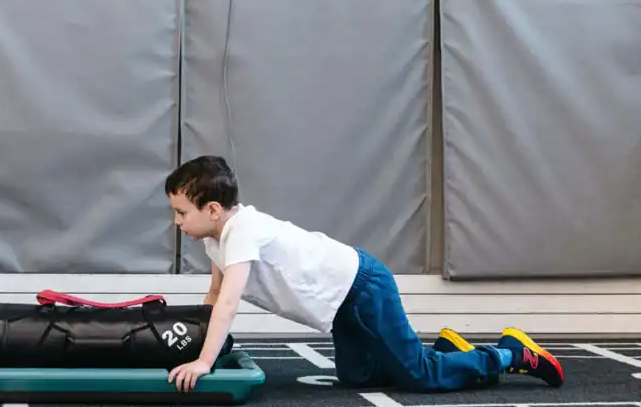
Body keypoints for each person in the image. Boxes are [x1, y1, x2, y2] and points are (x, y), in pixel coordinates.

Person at [161, 155, 565, 393]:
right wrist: (197, 347)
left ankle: (511, 353)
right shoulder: (218, 240)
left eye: (181, 213)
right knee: (357, 378)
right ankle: (449, 350)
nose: (178, 222)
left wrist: (204, 362)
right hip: (341, 307)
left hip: (363, 288)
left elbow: (229, 301)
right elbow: (213, 295)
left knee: (419, 378)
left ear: (213, 209)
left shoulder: (243, 230)